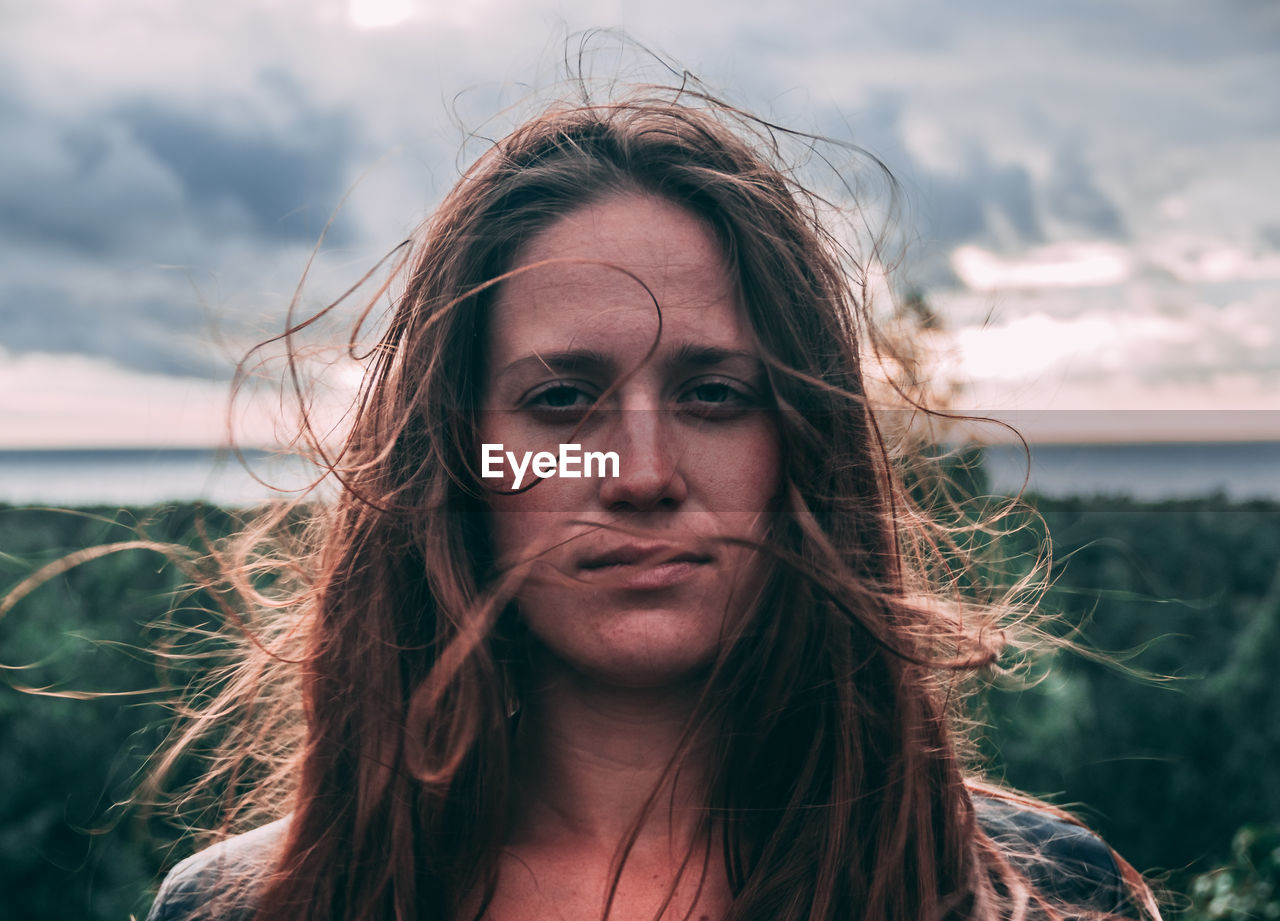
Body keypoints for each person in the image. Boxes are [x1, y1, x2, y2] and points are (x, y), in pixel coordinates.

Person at [144, 79, 1161, 921]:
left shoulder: (1031, 894)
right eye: (560, 402)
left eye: (713, 395)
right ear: (458, 459)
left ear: (800, 447)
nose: (639, 474)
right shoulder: (251, 907)